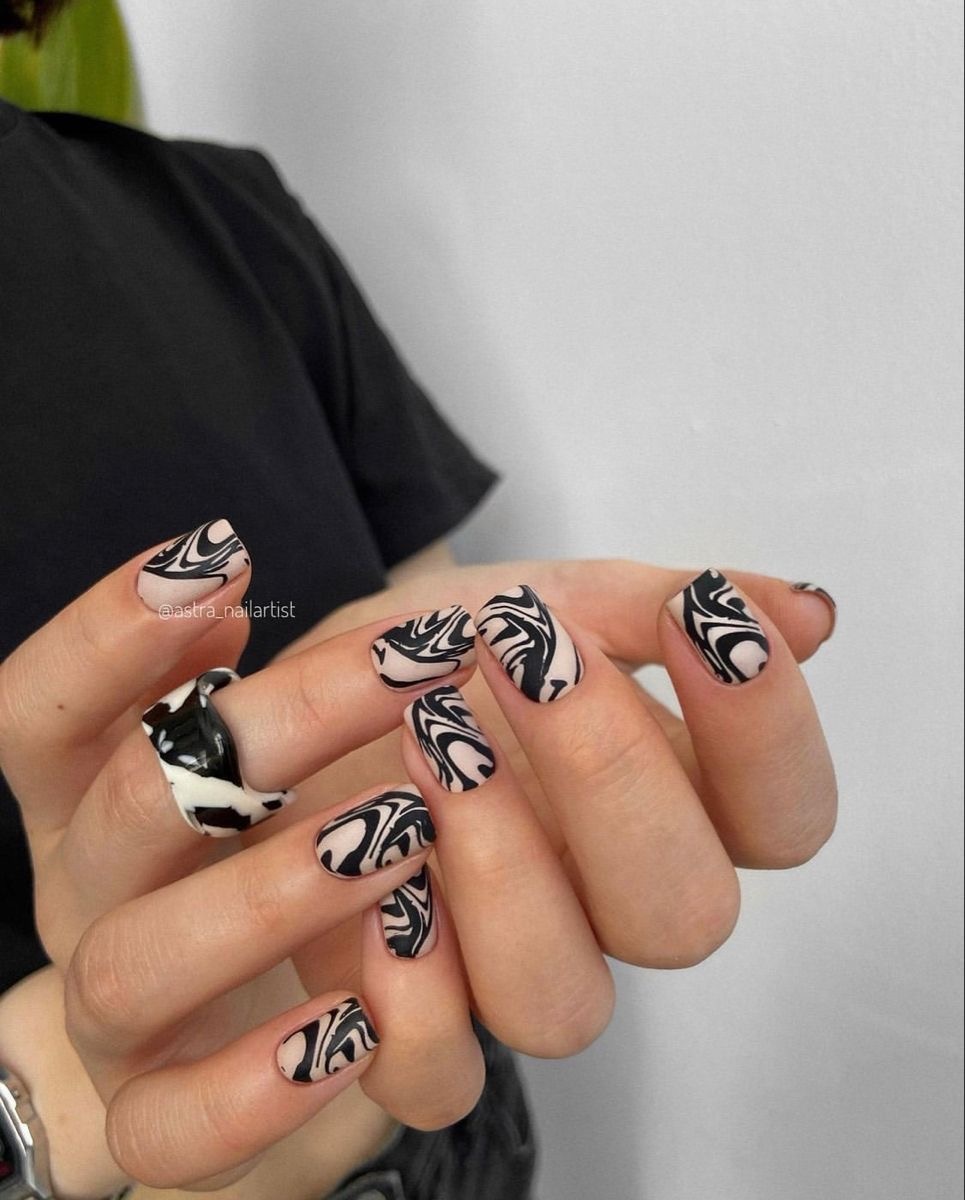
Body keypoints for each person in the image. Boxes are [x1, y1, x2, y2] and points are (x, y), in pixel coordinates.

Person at [0, 7, 839, 1199]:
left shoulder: (221, 213)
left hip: (451, 1157)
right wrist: (44, 1101)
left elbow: (425, 669)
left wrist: (506, 811)